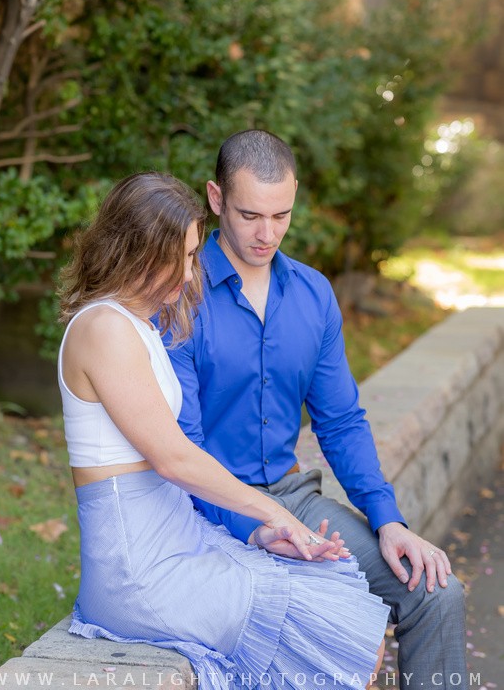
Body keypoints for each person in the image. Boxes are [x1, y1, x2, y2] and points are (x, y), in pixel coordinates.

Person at [57, 171, 390, 690]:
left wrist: (263, 534)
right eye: (183, 257)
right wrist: (280, 515)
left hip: (180, 541)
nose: (192, 274)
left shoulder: (139, 324)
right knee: (344, 641)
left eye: (193, 255)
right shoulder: (103, 328)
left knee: (350, 626)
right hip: (140, 572)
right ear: (138, 250)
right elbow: (175, 459)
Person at [165, 131, 468, 690]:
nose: (267, 234)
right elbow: (182, 451)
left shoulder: (313, 294)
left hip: (293, 501)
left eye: (281, 214)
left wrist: (389, 520)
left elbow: (341, 420)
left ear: (296, 194)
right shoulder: (181, 294)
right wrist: (255, 526)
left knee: (434, 591)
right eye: (250, 214)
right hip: (204, 509)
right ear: (214, 198)